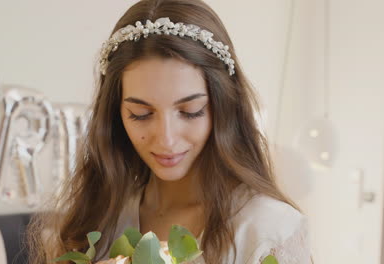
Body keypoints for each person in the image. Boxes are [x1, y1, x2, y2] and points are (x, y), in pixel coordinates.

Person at [26, 0, 313, 263]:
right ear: (116, 114)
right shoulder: (100, 216)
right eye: (141, 114)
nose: (166, 139)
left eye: (190, 112)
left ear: (223, 107)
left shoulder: (268, 229)